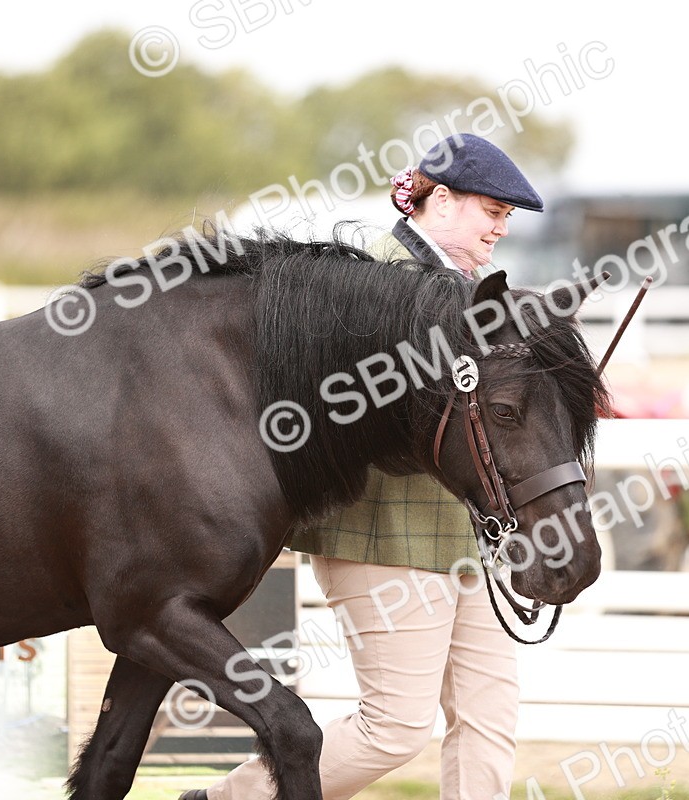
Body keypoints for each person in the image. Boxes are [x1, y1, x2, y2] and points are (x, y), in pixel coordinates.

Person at [184, 134, 545, 800]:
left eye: (506, 217)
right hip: (383, 534)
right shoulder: (368, 275)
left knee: (489, 721)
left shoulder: (475, 289)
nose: (501, 228)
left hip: (468, 536)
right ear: (440, 202)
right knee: (395, 728)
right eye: (491, 212)